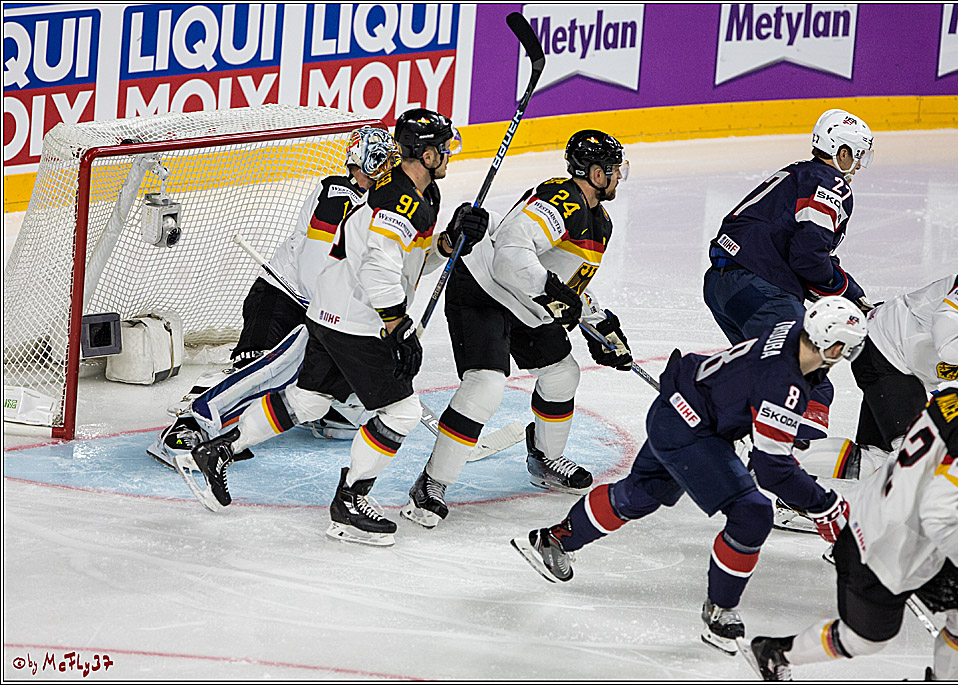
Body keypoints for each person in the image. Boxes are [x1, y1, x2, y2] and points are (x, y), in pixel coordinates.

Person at [175, 109, 490, 548]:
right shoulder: (399, 199)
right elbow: (378, 267)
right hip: (357, 319)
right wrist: (397, 323)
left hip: (330, 310)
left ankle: (220, 449)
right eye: (444, 147)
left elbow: (409, 261)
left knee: (308, 401)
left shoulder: (423, 194)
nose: (449, 154)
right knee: (400, 413)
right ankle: (350, 503)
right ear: (427, 153)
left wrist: (448, 242)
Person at [511, 296, 869, 656]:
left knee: (641, 493)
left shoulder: (791, 332)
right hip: (691, 429)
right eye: (847, 348)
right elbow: (772, 469)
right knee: (752, 512)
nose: (847, 355)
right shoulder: (784, 382)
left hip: (678, 406)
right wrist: (824, 504)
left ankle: (554, 540)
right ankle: (720, 611)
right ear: (831, 344)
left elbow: (751, 394)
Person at [399, 130, 634, 530]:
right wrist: (549, 291)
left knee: (562, 374)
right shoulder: (561, 199)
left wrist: (600, 326)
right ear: (596, 174)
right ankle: (431, 483)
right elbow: (509, 254)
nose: (618, 177)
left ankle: (545, 459)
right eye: (614, 170)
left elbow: (566, 281)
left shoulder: (600, 221)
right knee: (485, 386)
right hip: (484, 288)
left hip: (525, 300)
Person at [739, 353, 958, 682]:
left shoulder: (949, 401)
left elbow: (944, 458)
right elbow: (940, 515)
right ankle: (774, 653)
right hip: (883, 553)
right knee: (866, 639)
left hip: (875, 519)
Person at [147, 126, 398, 467]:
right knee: (258, 373)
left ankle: (329, 410)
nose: (388, 170)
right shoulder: (337, 195)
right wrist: (333, 317)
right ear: (363, 162)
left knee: (345, 397)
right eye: (382, 162)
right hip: (283, 300)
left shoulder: (377, 207)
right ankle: (190, 424)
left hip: (323, 312)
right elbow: (312, 268)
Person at [704, 109, 876, 444]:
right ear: (842, 153)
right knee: (808, 378)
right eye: (857, 156)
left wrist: (847, 289)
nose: (858, 166)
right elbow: (808, 258)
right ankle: (796, 465)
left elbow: (803, 250)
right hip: (759, 288)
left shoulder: (798, 173)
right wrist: (845, 291)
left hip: (723, 286)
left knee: (765, 374)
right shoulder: (830, 184)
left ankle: (729, 448)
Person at [852, 248, 958, 460]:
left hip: (906, 368)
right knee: (918, 454)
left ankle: (813, 459)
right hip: (885, 351)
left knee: (875, 457)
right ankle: (807, 459)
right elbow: (949, 344)